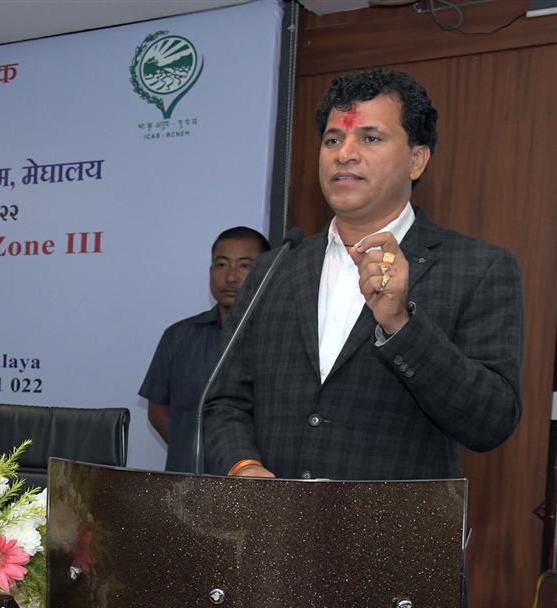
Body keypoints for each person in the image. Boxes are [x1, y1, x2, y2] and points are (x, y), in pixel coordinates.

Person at [205, 69, 522, 481]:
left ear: (416, 159)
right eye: (333, 139)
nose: (344, 154)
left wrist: (400, 325)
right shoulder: (275, 267)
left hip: (390, 538)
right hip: (268, 532)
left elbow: (491, 422)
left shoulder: (479, 268)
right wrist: (243, 468)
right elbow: (223, 400)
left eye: (370, 138)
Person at [140, 226, 268, 472]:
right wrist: (194, 451)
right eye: (221, 265)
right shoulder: (178, 336)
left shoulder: (281, 340)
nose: (231, 277)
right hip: (187, 484)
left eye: (244, 266)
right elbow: (158, 411)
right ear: (210, 272)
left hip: (253, 485)